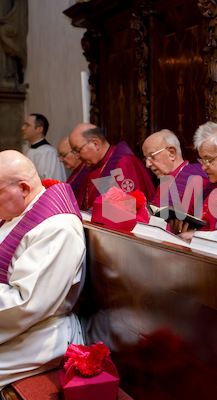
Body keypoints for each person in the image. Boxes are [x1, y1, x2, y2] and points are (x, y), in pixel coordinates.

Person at [0, 150, 85, 388]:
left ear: (24, 189)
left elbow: (26, 303)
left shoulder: (57, 228)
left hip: (38, 335)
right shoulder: (18, 211)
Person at [69, 123, 155, 210]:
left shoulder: (125, 163)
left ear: (95, 144)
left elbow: (129, 211)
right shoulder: (92, 166)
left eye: (78, 150)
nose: (77, 157)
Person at [142, 129, 213, 214]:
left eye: (151, 156)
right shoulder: (166, 180)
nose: (147, 164)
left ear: (172, 153)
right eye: (146, 158)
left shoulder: (197, 179)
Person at [21, 114, 66, 182]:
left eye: (27, 125)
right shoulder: (29, 150)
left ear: (39, 129)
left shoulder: (49, 153)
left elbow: (54, 182)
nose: (23, 128)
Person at [58, 136, 89, 208]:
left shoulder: (87, 170)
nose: (61, 160)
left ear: (76, 153)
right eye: (59, 156)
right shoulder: (76, 172)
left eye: (63, 155)